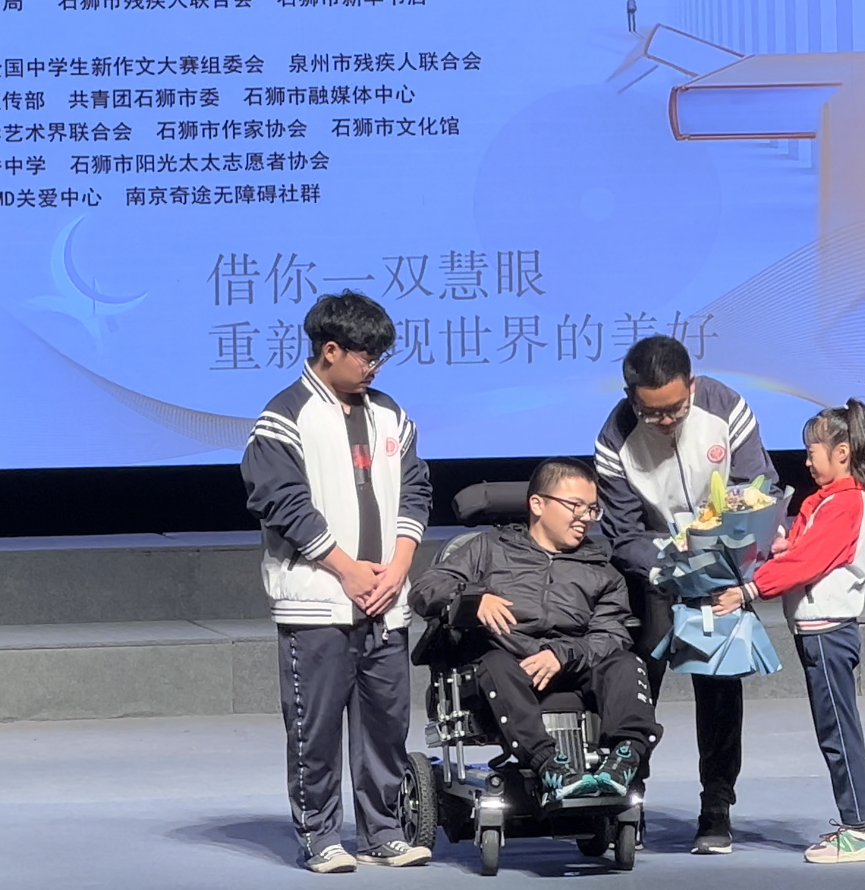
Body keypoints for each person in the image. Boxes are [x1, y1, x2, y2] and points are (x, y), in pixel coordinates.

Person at [241, 291, 434, 873]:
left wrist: (398, 567)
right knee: (315, 728)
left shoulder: (390, 414)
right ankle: (320, 836)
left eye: (379, 356)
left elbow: (416, 489)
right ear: (331, 350)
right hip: (318, 601)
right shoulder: (285, 416)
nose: (374, 367)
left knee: (386, 726)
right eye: (366, 355)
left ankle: (383, 831)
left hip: (386, 600)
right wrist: (348, 570)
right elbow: (282, 502)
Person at [592, 334, 784, 854]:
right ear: (631, 398)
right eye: (652, 413)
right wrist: (669, 561)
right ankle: (626, 798)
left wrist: (723, 545)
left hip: (720, 561)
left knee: (719, 680)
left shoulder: (726, 408)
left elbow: (759, 485)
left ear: (692, 386)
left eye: (675, 409)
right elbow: (623, 532)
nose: (665, 421)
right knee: (635, 679)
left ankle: (716, 807)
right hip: (654, 569)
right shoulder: (614, 438)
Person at [408, 457, 661, 802]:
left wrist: (561, 655)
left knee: (625, 662)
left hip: (571, 667)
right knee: (494, 664)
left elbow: (611, 633)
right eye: (575, 506)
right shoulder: (487, 549)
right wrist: (472, 599)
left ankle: (625, 758)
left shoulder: (602, 571)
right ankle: (549, 764)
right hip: (502, 667)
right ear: (538, 504)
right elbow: (425, 589)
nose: (586, 517)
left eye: (592, 509)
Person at [713, 398, 865, 865]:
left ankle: (859, 828)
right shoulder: (825, 501)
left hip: (829, 635)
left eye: (813, 451)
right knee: (833, 729)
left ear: (842, 453)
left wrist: (748, 590)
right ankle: (855, 823)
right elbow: (799, 550)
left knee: (838, 732)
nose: (807, 461)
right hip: (817, 633)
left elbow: (807, 563)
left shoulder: (844, 503)